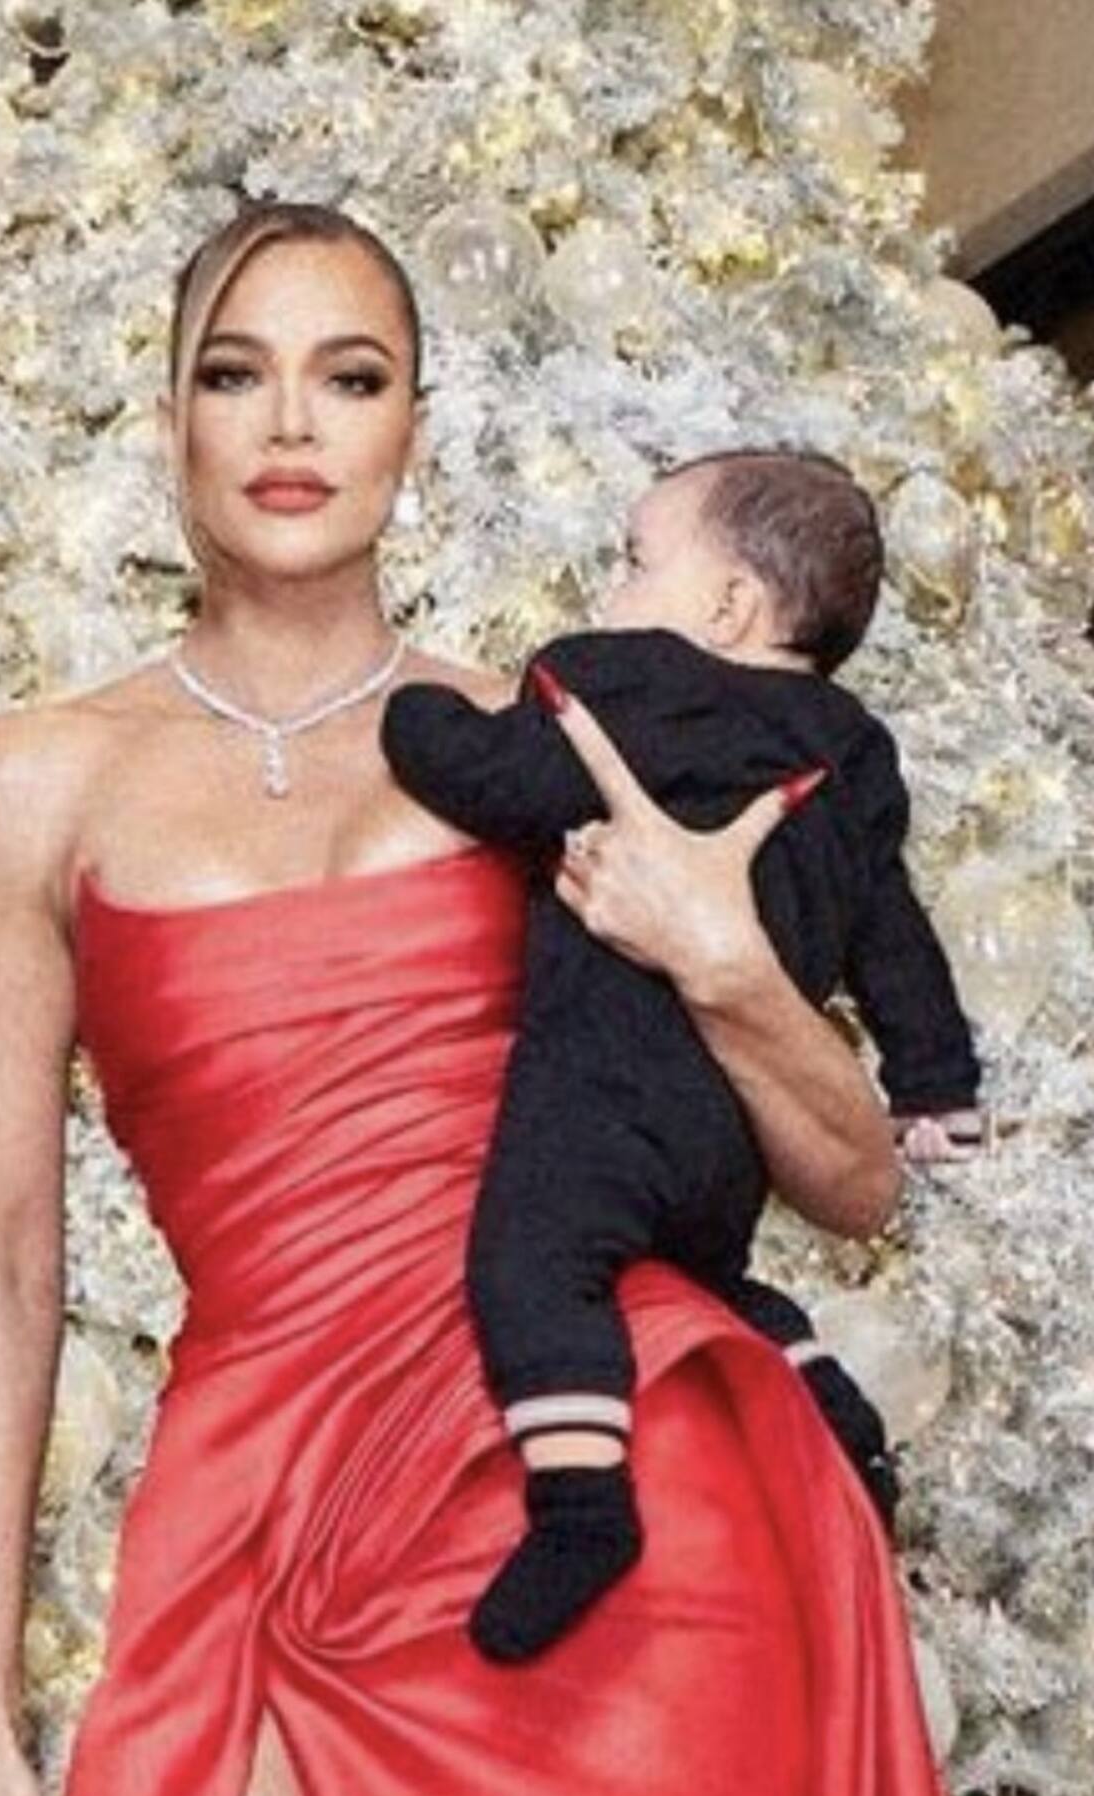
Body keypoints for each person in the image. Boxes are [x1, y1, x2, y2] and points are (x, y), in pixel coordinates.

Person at [0, 198, 1066, 1796]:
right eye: (239, 369)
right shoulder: (33, 780)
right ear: (169, 417)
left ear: (416, 433)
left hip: (605, 1534)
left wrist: (717, 959)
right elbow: (3, 1253)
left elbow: (853, 1176)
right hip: (257, 1538)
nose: (292, 424)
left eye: (350, 375)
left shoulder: (572, 733)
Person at [381, 446, 982, 1659]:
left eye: (634, 559)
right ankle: (832, 1415)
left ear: (729, 606)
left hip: (606, 1096)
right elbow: (895, 938)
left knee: (536, 1261)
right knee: (713, 1281)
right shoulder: (851, 755)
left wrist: (411, 711)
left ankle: (582, 1503)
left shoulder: (630, 683)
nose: (612, 589)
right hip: (731, 1138)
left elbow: (498, 777)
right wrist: (936, 1087)